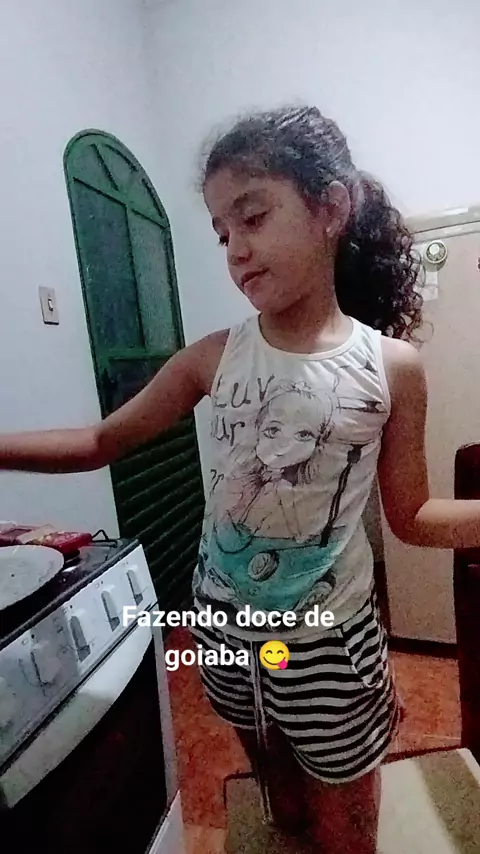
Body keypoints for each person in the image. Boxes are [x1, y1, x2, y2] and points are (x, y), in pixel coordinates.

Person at [2, 105, 480, 854]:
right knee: (280, 808)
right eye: (222, 233)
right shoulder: (213, 358)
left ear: (329, 208)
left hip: (329, 649)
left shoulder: (390, 368)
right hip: (226, 636)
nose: (236, 249)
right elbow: (99, 440)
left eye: (253, 217)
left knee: (345, 833)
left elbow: (412, 516)